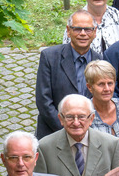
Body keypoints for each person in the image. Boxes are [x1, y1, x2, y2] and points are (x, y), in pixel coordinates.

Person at [35, 10, 103, 139]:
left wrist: (83, 129)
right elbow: (44, 101)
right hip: (54, 133)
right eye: (77, 29)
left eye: (88, 29)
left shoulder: (101, 61)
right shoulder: (49, 57)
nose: (83, 34)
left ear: (94, 32)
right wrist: (68, 129)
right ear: (68, 30)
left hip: (88, 135)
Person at [85, 60, 119, 138]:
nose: (107, 89)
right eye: (101, 84)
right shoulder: (85, 114)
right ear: (90, 87)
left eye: (110, 83)